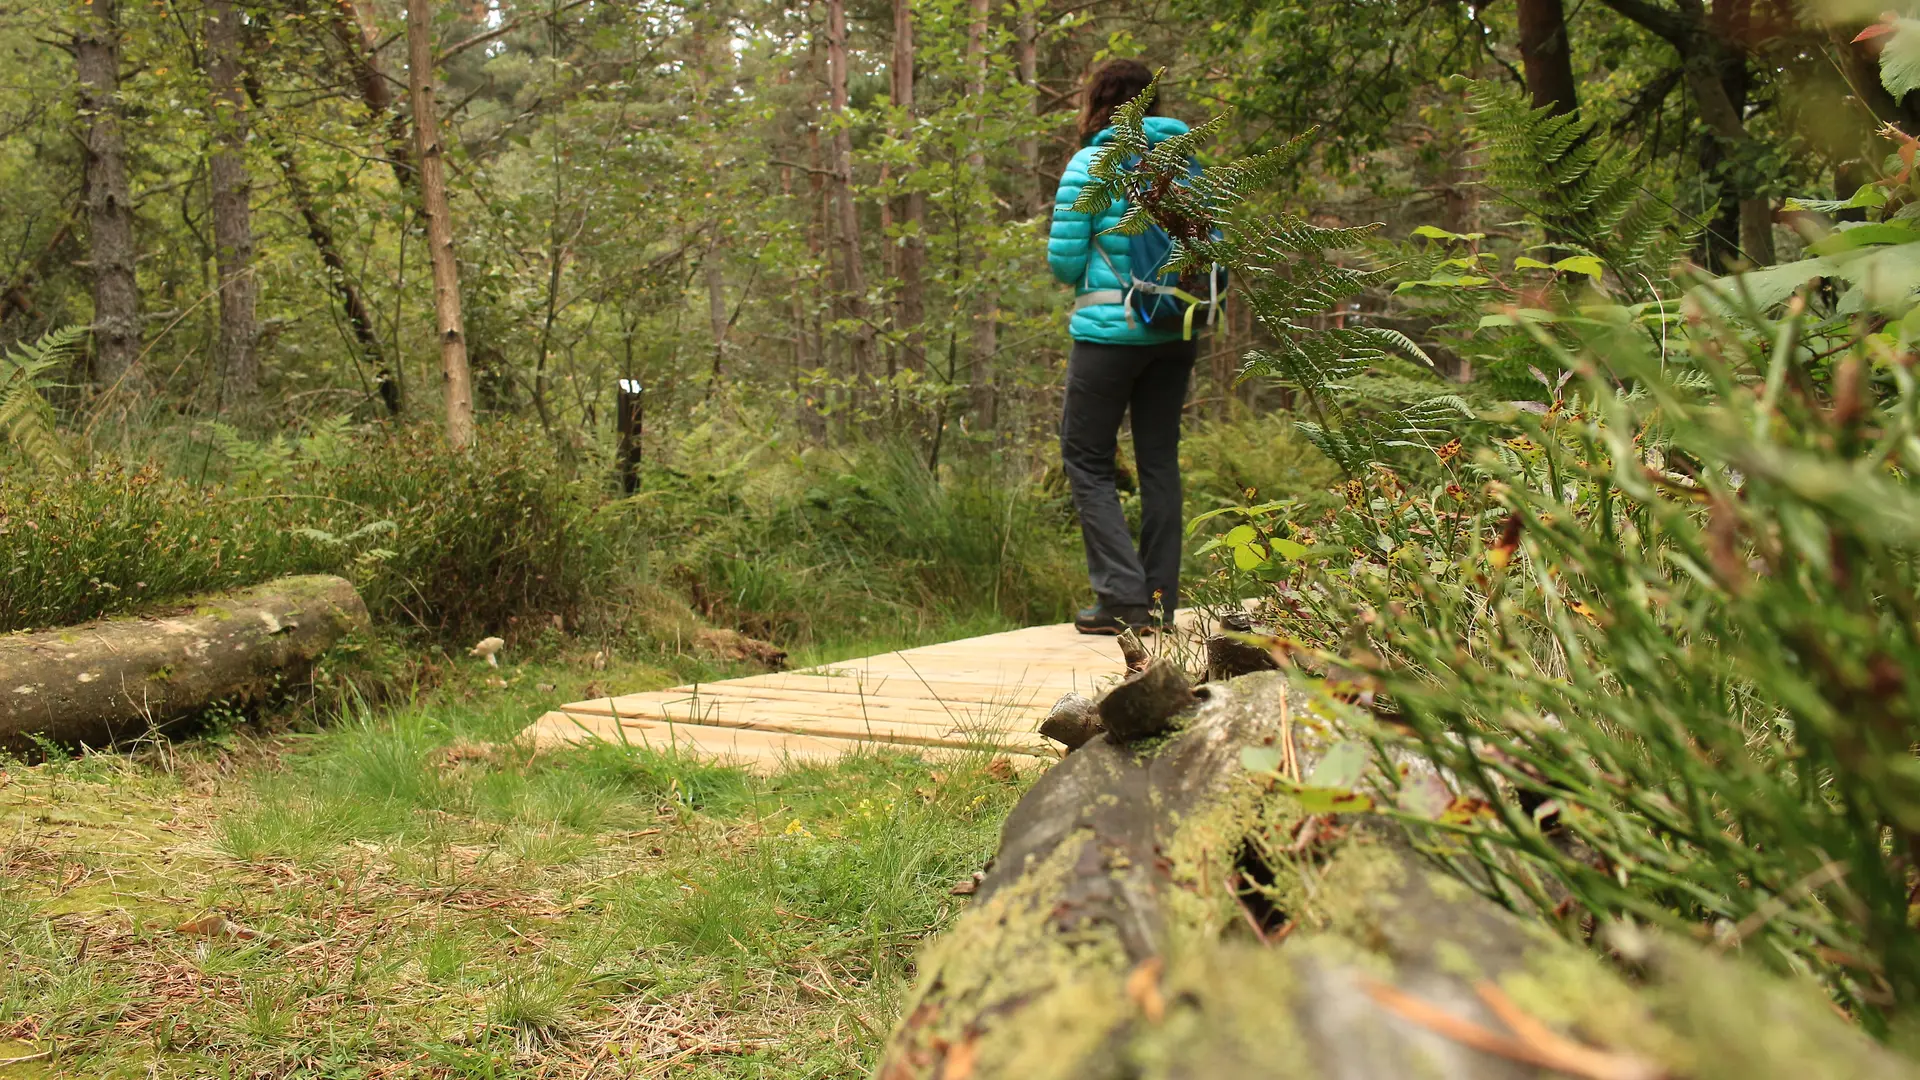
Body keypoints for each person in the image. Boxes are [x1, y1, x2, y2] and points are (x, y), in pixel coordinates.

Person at [1048, 59, 1201, 635]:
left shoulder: (1091, 165)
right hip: (1174, 329)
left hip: (1108, 334)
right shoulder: (1187, 167)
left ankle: (1120, 599)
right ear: (1153, 105)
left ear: (1099, 104)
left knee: (1087, 458)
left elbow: (1064, 264)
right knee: (1159, 461)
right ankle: (1158, 600)